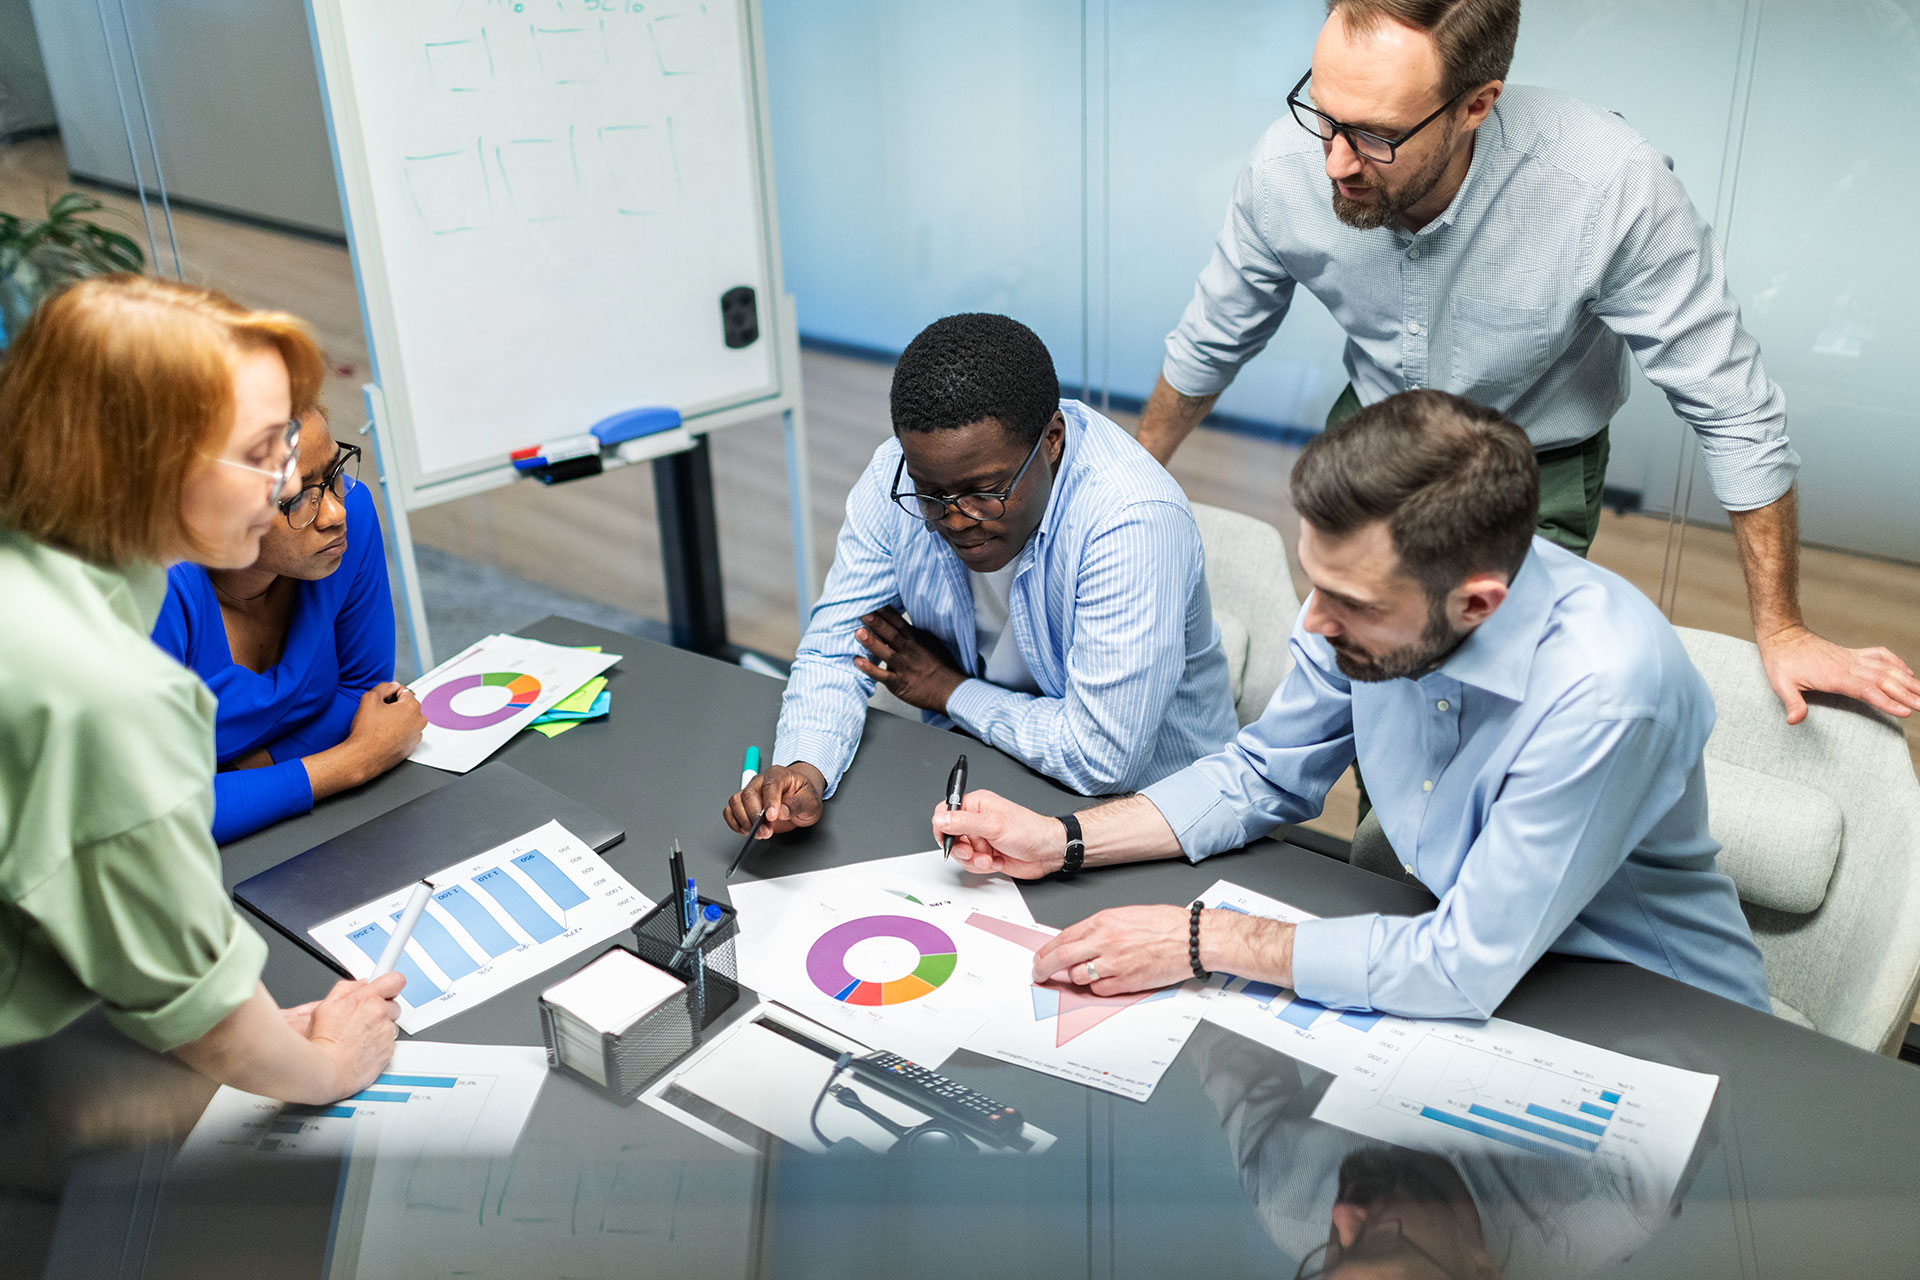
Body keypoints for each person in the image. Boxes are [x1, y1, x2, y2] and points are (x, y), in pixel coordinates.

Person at [1132, 0, 1920, 727]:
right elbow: (1214, 336)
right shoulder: (1286, 170)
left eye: (1374, 135)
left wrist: (1781, 628)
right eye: (1322, 114)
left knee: (1474, 707)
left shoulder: (1607, 189)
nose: (1335, 162)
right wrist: (1130, 488)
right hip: (1375, 434)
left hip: (1533, 463)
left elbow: (1734, 408)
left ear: (1477, 104)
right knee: (1375, 674)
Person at [932, 390, 1772, 1021]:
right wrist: (1064, 840)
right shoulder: (1363, 609)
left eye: (1353, 603)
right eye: (1315, 582)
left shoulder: (1607, 692)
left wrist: (1198, 938)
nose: (1316, 620)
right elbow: (1263, 777)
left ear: (1475, 604)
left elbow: (1463, 965)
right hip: (1476, 978)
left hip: (1653, 1009)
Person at [0, 275, 402, 1102]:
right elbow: (203, 1013)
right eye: (264, 455)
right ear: (147, 465)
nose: (290, 484)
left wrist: (246, 1024)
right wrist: (326, 1065)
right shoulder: (105, 688)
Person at [725, 312, 1237, 839]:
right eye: (931, 494)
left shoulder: (1130, 520)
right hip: (981, 774)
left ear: (1052, 440)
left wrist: (949, 690)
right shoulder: (894, 476)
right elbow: (836, 650)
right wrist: (805, 768)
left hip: (1151, 816)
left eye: (984, 491)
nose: (954, 518)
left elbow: (1102, 758)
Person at [153, 404, 425, 843]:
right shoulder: (153, 594)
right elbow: (154, 815)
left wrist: (238, 776)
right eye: (297, 497)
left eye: (334, 471)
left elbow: (366, 696)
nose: (334, 513)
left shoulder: (349, 519)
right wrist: (352, 761)